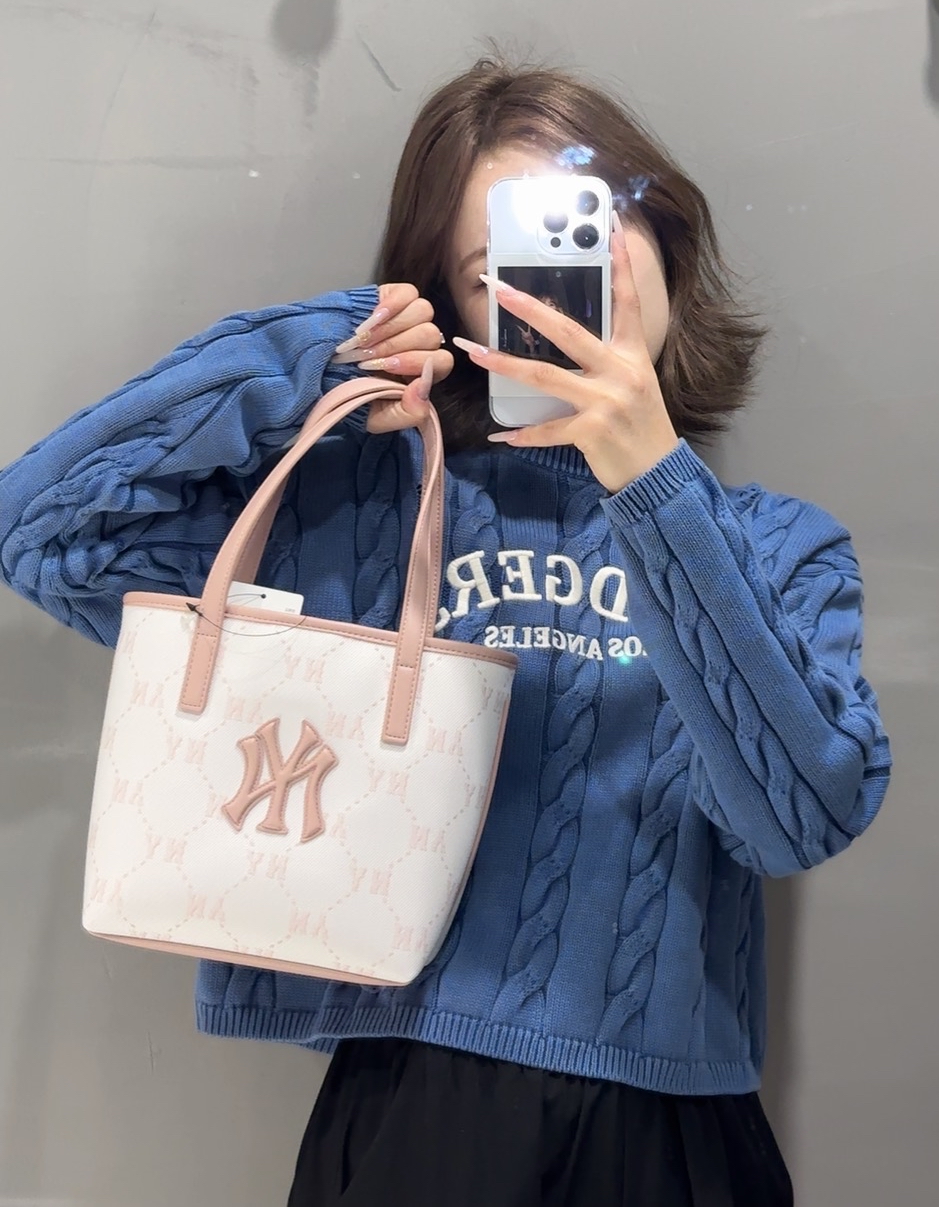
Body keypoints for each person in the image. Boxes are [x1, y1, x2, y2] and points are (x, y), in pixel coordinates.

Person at [0, 59, 891, 1207]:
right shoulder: (371, 511)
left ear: (664, 237)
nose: (561, 284)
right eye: (497, 268)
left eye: (591, 226)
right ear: (454, 306)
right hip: (416, 1110)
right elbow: (45, 529)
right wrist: (323, 347)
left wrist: (651, 477)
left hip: (677, 1125)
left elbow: (800, 815)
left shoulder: (776, 546)